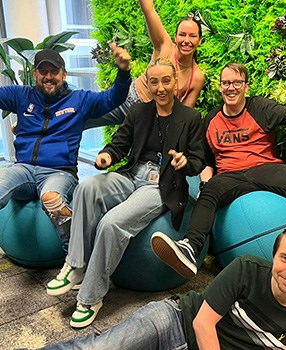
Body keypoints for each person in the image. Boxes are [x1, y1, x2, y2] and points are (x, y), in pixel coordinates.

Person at [45, 58, 205, 328]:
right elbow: (120, 142)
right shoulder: (139, 112)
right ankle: (76, 265)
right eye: (154, 82)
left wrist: (185, 163)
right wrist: (108, 154)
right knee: (87, 187)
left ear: (176, 82)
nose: (160, 87)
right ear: (148, 84)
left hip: (161, 183)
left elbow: (199, 159)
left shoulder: (191, 118)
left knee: (111, 222)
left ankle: (91, 297)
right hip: (132, 174)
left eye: (166, 80)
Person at [151, 61, 286, 279]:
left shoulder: (259, 108)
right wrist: (205, 186)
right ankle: (190, 249)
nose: (231, 88)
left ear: (246, 86)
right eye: (226, 83)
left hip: (265, 168)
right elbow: (206, 161)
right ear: (220, 87)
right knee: (209, 193)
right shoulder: (211, 120)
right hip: (230, 176)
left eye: (237, 82)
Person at [39, 223, 286, 349]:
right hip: (174, 322)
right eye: (285, 258)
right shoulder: (247, 268)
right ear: (274, 257)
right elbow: (202, 324)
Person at [0, 44, 131, 253]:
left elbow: (112, 98)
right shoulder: (21, 95)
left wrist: (123, 73)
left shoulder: (79, 100)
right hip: (23, 170)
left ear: (64, 74)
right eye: (43, 71)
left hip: (59, 172)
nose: (48, 77)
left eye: (54, 71)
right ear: (35, 74)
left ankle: (77, 259)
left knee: (51, 199)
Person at [84, 0, 204, 129]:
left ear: (200, 40)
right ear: (175, 37)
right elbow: (149, 10)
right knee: (83, 117)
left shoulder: (196, 77)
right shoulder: (165, 46)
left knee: (129, 148)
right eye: (182, 35)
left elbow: (183, 117)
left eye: (192, 36)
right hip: (127, 100)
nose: (186, 40)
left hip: (149, 120)